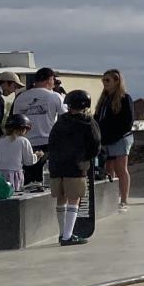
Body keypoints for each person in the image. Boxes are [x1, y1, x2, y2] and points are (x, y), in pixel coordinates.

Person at [46, 90, 101, 246]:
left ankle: (62, 233)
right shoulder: (88, 123)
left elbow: (52, 143)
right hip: (75, 166)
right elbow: (96, 144)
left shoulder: (60, 122)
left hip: (57, 166)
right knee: (74, 199)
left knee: (61, 198)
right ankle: (68, 236)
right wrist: (86, 158)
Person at [12, 69, 68, 187]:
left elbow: (15, 119)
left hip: (25, 142)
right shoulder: (54, 96)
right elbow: (66, 116)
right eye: (53, 80)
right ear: (49, 80)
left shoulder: (20, 97)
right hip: (48, 142)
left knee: (26, 180)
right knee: (45, 179)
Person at [95, 70, 136, 210]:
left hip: (121, 138)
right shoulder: (104, 100)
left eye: (108, 80)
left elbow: (128, 121)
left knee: (120, 168)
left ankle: (124, 200)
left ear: (116, 81)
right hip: (105, 139)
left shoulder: (125, 98)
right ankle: (110, 199)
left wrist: (114, 135)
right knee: (108, 168)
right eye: (103, 81)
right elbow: (97, 118)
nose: (105, 83)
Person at [0, 115, 36, 193]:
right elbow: (29, 161)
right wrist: (37, 156)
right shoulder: (23, 141)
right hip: (14, 175)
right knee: (13, 198)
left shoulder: (1, 140)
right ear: (22, 129)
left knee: (1, 197)